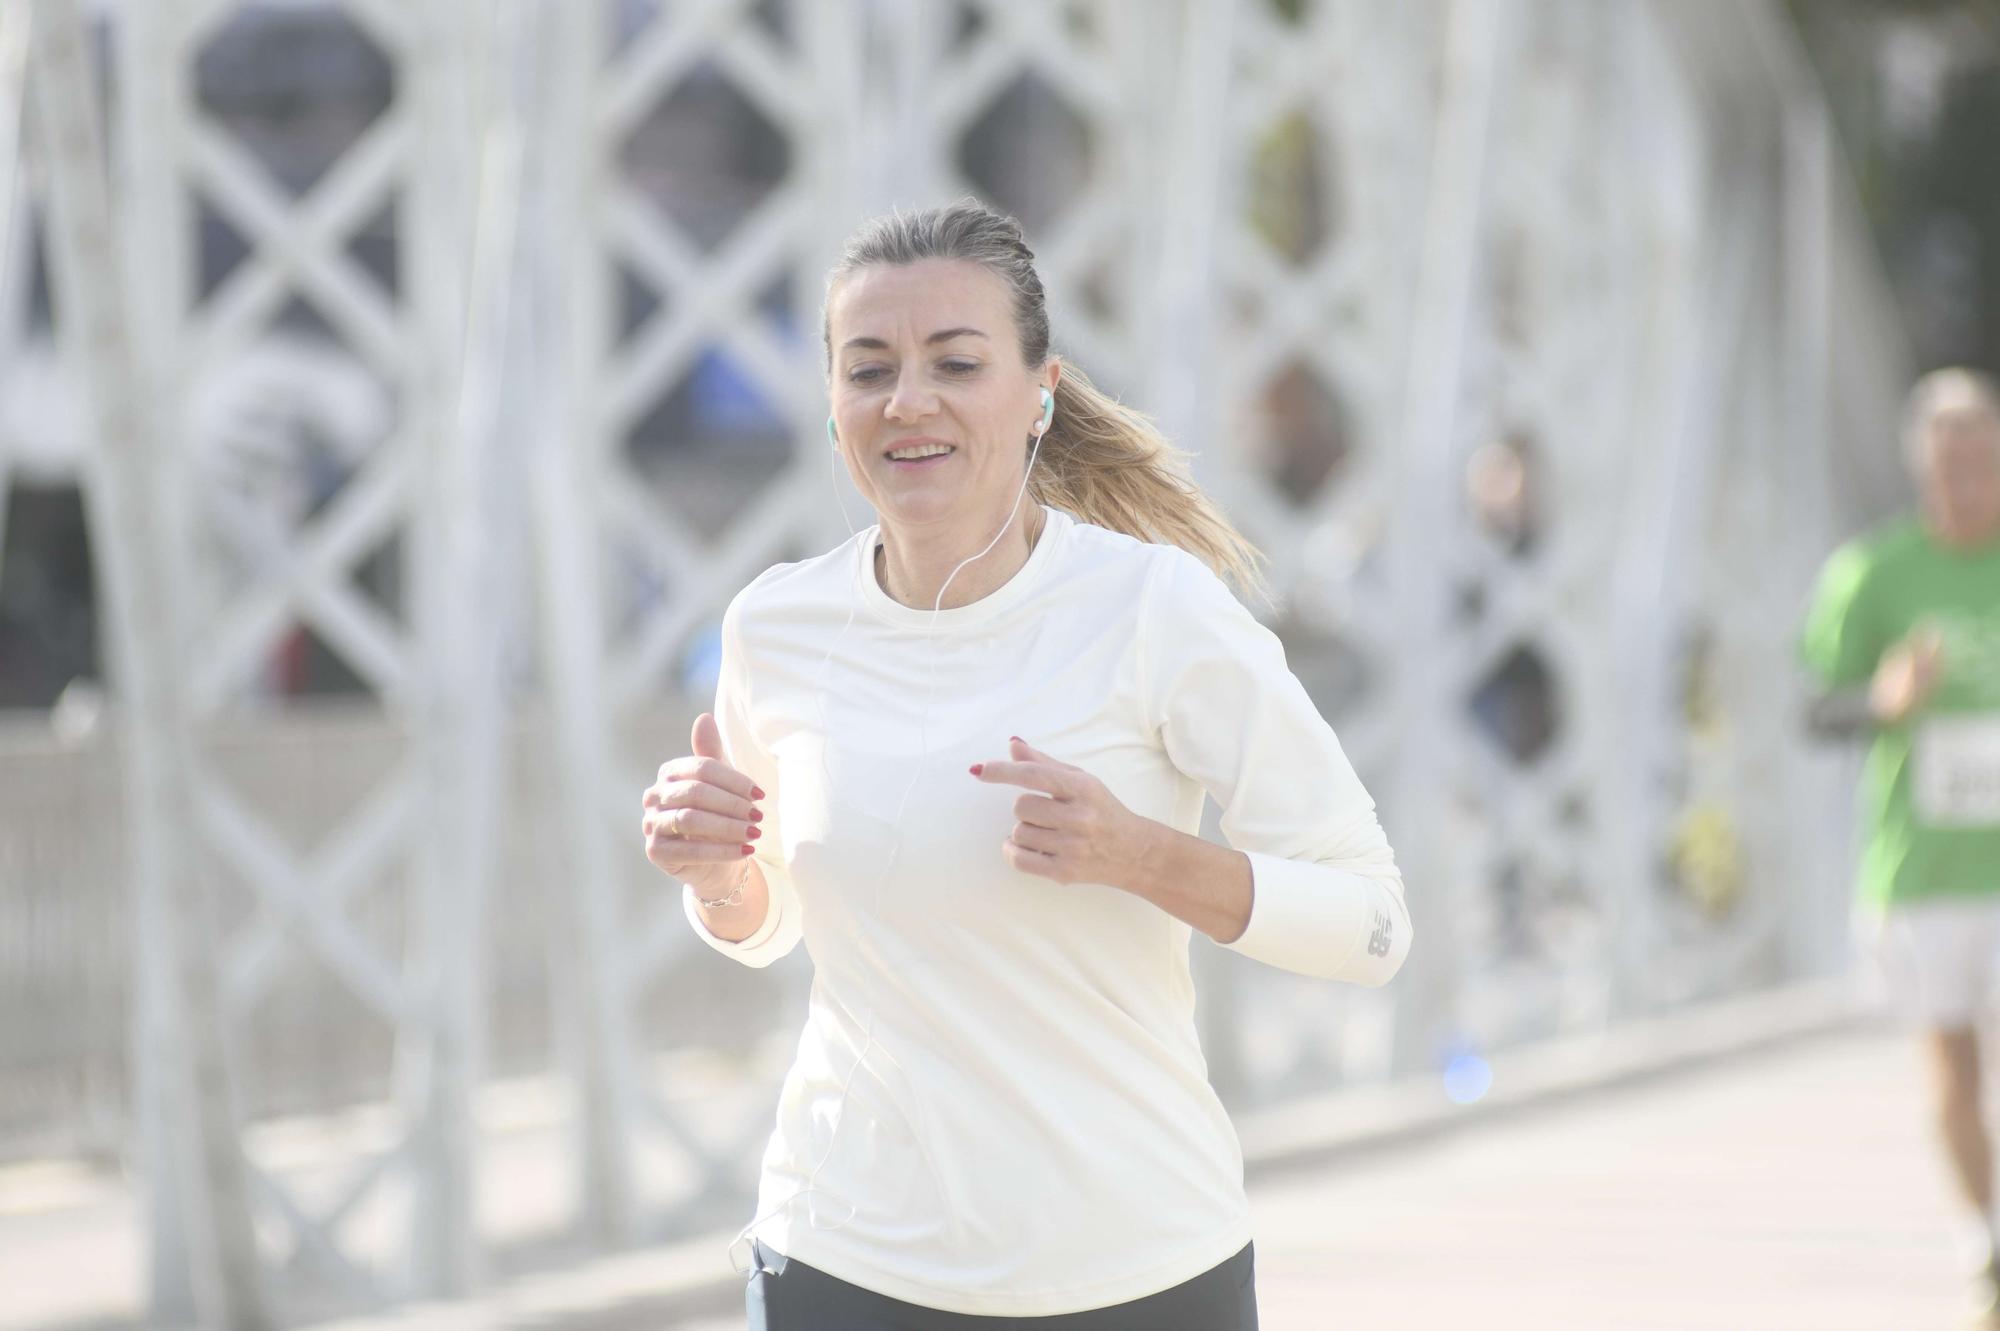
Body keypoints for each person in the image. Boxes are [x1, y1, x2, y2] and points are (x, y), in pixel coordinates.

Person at [640, 199, 1412, 1330]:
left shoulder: (1154, 609)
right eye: (869, 369)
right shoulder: (777, 626)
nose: (907, 399)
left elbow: (1373, 923)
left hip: (1136, 1267)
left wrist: (1143, 855)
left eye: (956, 361)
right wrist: (715, 874)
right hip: (843, 1255)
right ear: (832, 406)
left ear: (1040, 388)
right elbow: (774, 922)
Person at [1801, 366, 2000, 1325]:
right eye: (1946, 453)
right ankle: (1983, 1239)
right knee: (1953, 1066)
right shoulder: (1874, 573)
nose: (1964, 470)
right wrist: (1881, 702)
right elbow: (1816, 708)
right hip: (1922, 870)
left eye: (1979, 449)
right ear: (1923, 461)